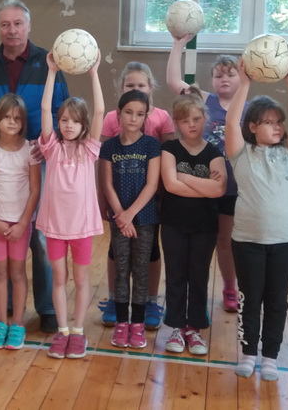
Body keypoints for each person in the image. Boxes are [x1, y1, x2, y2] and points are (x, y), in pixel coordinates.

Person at [0, 0, 68, 334]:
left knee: (38, 237)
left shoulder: (48, 62)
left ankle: (46, 307)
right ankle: (9, 306)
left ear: (28, 26)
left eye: (17, 23)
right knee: (3, 237)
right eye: (5, 24)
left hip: (37, 159)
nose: (11, 30)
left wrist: (49, 146)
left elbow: (61, 110)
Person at [227, 58, 288, 381]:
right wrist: (244, 83)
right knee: (250, 300)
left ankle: (271, 357)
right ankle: (249, 354)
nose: (277, 127)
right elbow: (231, 122)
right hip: (247, 242)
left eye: (279, 122)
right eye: (268, 122)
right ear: (252, 127)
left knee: (277, 302)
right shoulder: (241, 154)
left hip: (284, 243)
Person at [168, 34, 243, 313]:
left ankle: (231, 287)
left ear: (241, 78)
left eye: (230, 74)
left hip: (235, 188)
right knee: (209, 240)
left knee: (228, 240)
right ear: (211, 81)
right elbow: (174, 82)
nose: (224, 79)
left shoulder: (247, 107)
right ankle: (208, 288)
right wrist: (178, 45)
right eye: (218, 75)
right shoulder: (205, 100)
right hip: (203, 186)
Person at [97, 62, 173, 330]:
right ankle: (115, 301)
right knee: (117, 255)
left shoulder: (160, 120)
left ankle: (149, 302)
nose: (133, 118)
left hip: (149, 206)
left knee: (148, 255)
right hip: (119, 205)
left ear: (150, 88)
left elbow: (166, 163)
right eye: (130, 85)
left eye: (141, 85)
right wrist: (113, 209)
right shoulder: (110, 122)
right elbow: (104, 172)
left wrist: (136, 210)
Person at [39, 52, 104, 359]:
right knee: (59, 278)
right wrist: (51, 72)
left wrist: (94, 73)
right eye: (64, 120)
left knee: (80, 279)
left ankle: (78, 331)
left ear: (83, 125)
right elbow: (44, 107)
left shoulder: (89, 149)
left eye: (75, 121)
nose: (68, 125)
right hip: (54, 227)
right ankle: (62, 330)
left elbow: (100, 109)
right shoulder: (51, 147)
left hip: (81, 228)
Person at [160, 88, 227, 356]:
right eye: (185, 120)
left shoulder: (214, 152)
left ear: (205, 119)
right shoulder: (169, 149)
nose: (191, 124)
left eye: (196, 119)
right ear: (177, 123)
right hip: (173, 224)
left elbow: (218, 190)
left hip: (205, 226)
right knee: (176, 275)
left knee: (199, 276)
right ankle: (176, 327)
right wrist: (204, 185)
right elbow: (170, 185)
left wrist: (184, 177)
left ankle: (194, 328)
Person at [0, 94, 41, 350]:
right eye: (6, 117)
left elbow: (35, 190)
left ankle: (18, 324)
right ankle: (1, 322)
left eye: (17, 118)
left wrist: (23, 224)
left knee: (18, 272)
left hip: (20, 224)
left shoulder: (29, 151)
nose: (12, 122)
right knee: (0, 272)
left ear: (23, 122)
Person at [99, 90, 162, 349]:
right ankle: (121, 322)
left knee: (141, 270)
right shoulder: (109, 147)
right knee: (121, 269)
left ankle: (137, 323)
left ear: (146, 117)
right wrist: (121, 216)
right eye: (128, 112)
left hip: (144, 218)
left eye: (139, 114)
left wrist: (130, 214)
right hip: (119, 220)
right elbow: (107, 184)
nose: (133, 118)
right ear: (118, 114)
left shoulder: (151, 145)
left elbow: (152, 184)